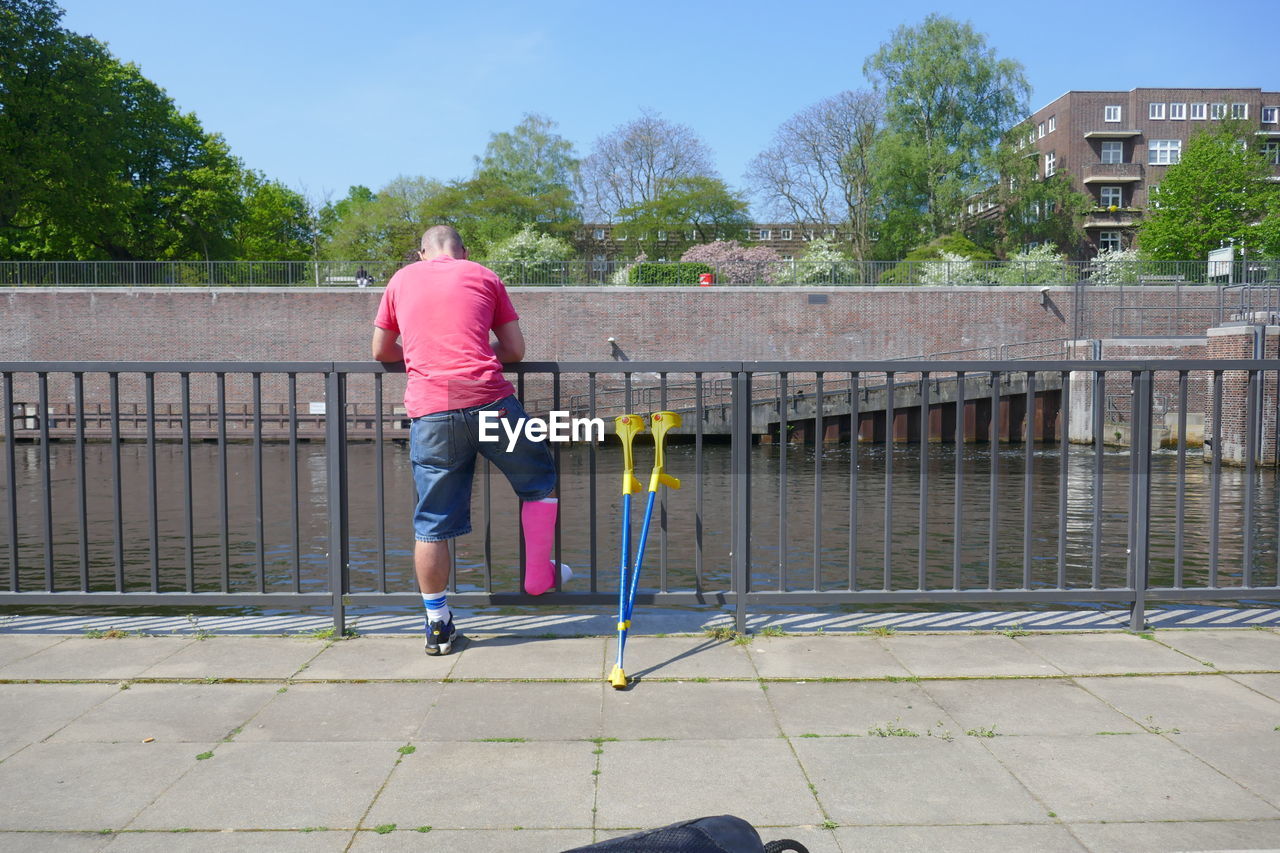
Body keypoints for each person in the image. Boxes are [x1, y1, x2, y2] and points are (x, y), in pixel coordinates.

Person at [372, 225, 569, 655]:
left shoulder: (401, 279)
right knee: (539, 483)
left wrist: (426, 356)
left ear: (421, 251)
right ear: (462, 250)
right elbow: (514, 350)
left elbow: (381, 351)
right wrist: (476, 353)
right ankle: (538, 575)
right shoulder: (483, 275)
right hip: (489, 400)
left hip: (432, 408)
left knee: (432, 525)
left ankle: (438, 624)